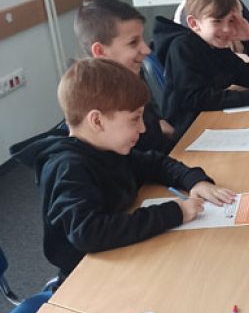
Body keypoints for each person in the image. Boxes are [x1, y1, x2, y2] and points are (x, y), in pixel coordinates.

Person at [13, 58, 235, 281]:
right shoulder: (68, 168)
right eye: (135, 119)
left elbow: (155, 163)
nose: (143, 128)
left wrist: (194, 180)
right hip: (87, 275)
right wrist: (175, 213)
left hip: (121, 252)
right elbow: (89, 232)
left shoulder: (106, 146)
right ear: (97, 121)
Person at [154, 0, 249, 137]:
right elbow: (193, 98)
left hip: (213, 120)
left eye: (231, 21)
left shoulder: (218, 47)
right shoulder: (182, 47)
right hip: (189, 130)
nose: (226, 29)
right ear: (194, 24)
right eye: (217, 21)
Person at [74, 0, 175, 153]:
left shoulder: (130, 76)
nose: (146, 50)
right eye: (133, 42)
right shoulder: (101, 103)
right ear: (100, 51)